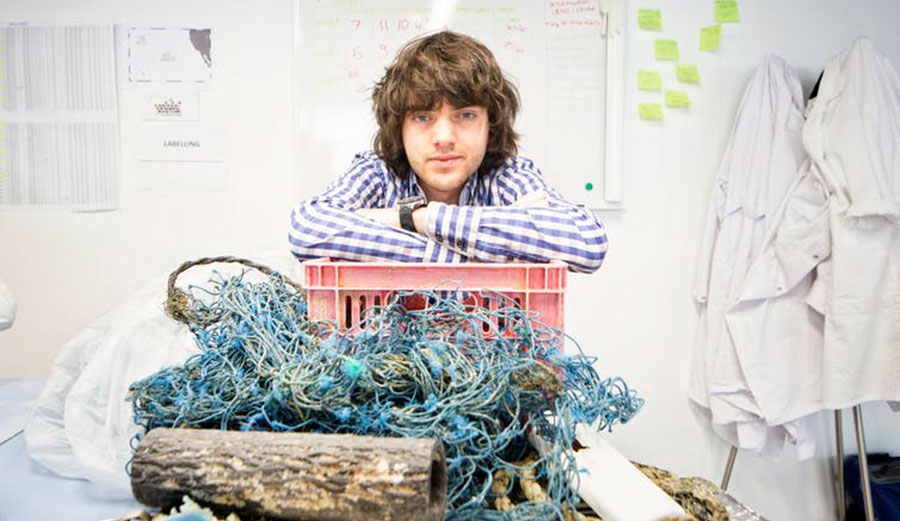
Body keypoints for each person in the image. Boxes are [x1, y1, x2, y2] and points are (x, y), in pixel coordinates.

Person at [288, 31, 607, 273]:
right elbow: (308, 228)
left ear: (490, 124)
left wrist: (417, 219)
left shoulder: (506, 175)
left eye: (465, 115)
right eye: (423, 117)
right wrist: (472, 260)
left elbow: (587, 241)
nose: (443, 137)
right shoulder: (378, 172)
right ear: (399, 126)